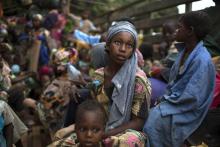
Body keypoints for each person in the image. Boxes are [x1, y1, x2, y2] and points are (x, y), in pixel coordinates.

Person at [53, 20, 151, 146]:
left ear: (133, 50)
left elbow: (138, 122)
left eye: (129, 45)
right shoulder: (99, 74)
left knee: (129, 141)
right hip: (97, 127)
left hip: (125, 132)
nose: (122, 49)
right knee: (59, 141)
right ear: (107, 45)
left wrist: (104, 135)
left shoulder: (139, 79)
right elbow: (95, 106)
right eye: (117, 42)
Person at [143, 11, 215, 147]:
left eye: (179, 27)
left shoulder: (202, 60)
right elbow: (174, 83)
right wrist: (165, 99)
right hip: (175, 100)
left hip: (188, 107)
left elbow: (192, 97)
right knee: (151, 112)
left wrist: (165, 103)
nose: (177, 31)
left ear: (190, 31)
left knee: (155, 120)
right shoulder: (184, 52)